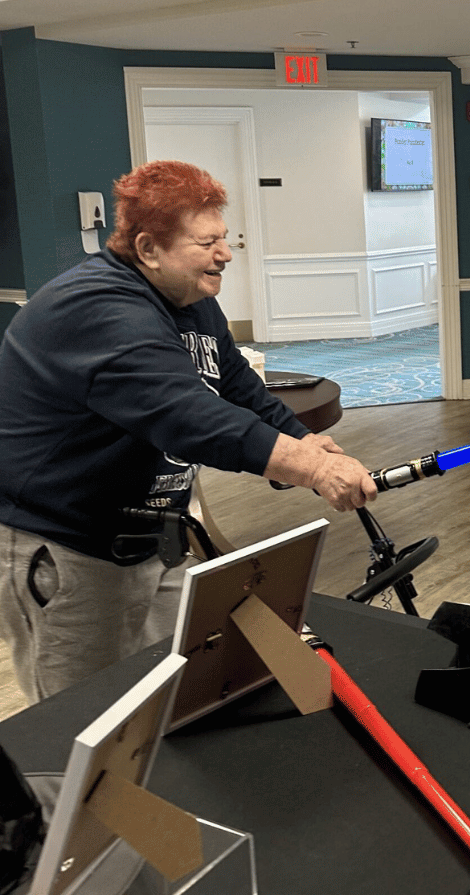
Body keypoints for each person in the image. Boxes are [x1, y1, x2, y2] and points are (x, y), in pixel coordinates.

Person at [0, 160, 378, 703]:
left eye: (223, 238)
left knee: (174, 699)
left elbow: (238, 385)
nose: (225, 253)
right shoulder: (96, 307)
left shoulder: (192, 301)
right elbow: (191, 417)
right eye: (207, 243)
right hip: (69, 551)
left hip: (158, 542)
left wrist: (303, 440)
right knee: (83, 719)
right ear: (149, 249)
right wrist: (314, 468)